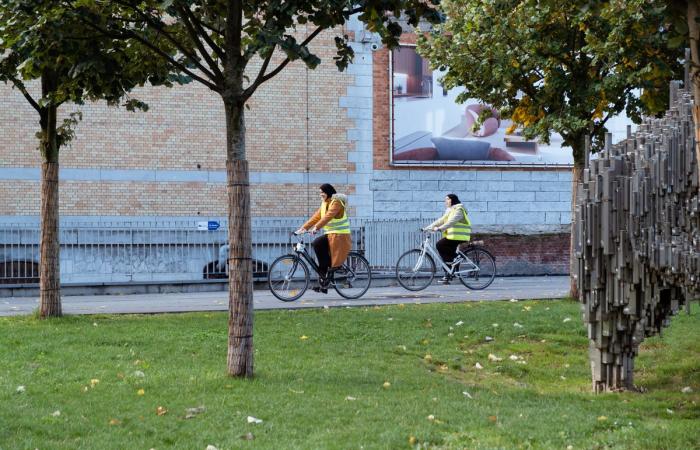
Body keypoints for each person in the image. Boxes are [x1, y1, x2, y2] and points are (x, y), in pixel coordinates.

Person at [295, 184, 352, 293]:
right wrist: (303, 228)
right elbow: (316, 217)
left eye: (322, 192)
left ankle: (329, 270)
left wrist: (316, 227)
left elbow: (328, 216)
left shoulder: (336, 202)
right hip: (331, 235)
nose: (321, 194)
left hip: (340, 235)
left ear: (328, 192)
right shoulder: (324, 203)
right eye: (320, 192)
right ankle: (324, 279)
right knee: (317, 244)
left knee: (318, 244)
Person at [424, 193, 472, 284]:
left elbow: (451, 221)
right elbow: (441, 220)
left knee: (440, 245)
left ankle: (457, 258)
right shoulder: (450, 210)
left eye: (447, 199)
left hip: (460, 236)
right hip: (452, 236)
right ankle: (449, 274)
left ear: (452, 200)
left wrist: (440, 228)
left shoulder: (459, 209)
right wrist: (427, 228)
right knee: (446, 253)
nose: (445, 201)